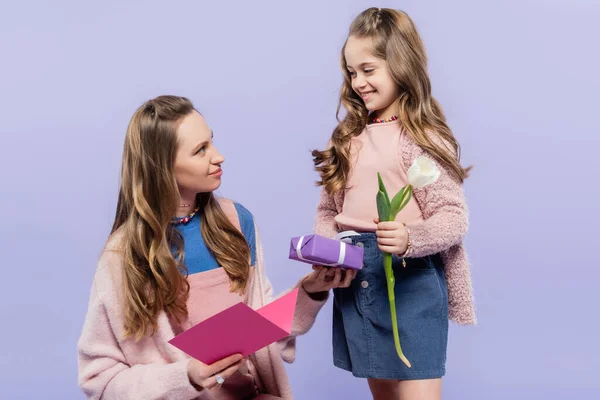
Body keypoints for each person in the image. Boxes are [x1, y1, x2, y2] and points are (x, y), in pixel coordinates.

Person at [77, 95, 357, 399]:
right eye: (200, 150)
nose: (218, 156)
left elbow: (259, 331)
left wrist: (311, 290)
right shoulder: (122, 256)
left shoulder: (237, 222)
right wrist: (186, 377)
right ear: (162, 167)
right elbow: (100, 380)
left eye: (211, 142)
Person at [311, 8, 476, 400]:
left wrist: (409, 238)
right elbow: (328, 212)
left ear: (400, 63)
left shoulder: (423, 138)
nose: (358, 82)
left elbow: (453, 217)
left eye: (368, 70)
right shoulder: (346, 139)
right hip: (357, 280)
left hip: (411, 280)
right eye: (352, 73)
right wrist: (327, 247)